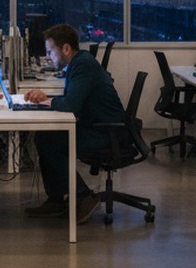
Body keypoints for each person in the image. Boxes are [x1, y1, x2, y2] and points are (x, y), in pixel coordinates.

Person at [24, 23, 126, 225]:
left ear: (66, 49)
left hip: (107, 132)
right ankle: (56, 199)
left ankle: (83, 195)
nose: (49, 57)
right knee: (44, 137)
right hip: (96, 125)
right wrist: (47, 98)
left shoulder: (83, 64)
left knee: (50, 142)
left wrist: (49, 101)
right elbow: (72, 98)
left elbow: (70, 104)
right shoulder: (79, 62)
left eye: (51, 51)